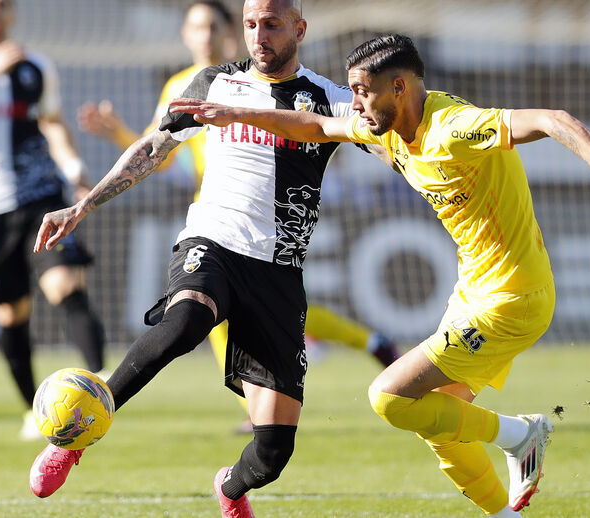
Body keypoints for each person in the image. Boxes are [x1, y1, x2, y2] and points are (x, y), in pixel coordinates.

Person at [169, 34, 590, 516]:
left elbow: (552, 120)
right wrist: (237, 114)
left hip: (512, 299)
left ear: (399, 87)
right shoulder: (383, 128)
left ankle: (521, 434)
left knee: (389, 396)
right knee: (440, 424)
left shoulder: (454, 126)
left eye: (362, 91)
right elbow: (314, 126)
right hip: (475, 293)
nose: (353, 103)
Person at [28, 1, 397, 515]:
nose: (258, 35)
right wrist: (84, 204)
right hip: (213, 241)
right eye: (250, 24)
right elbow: (154, 148)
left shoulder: (329, 100)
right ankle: (76, 432)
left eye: (271, 24)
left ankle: (229, 487)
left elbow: (392, 148)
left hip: (278, 270)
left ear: (299, 29)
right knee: (188, 318)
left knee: (272, 452)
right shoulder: (213, 83)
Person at [0, 0, 107, 441]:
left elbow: (51, 122)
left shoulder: (36, 68)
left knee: (65, 285)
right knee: (12, 314)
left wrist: (73, 168)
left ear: (11, 16)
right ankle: (38, 409)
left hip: (39, 198)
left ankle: (101, 389)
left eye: (3, 6)